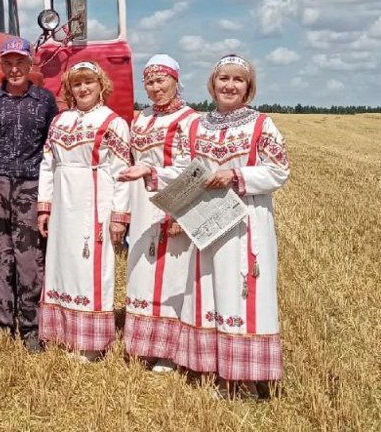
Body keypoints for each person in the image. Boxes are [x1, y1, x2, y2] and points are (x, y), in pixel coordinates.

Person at [122, 54, 290, 397]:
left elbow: (279, 170)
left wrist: (237, 174)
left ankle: (246, 381)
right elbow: (189, 172)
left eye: (237, 80)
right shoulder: (199, 126)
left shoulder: (261, 125)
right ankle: (216, 369)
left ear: (248, 87)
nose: (229, 85)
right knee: (209, 292)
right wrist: (151, 172)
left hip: (247, 220)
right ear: (212, 85)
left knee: (242, 294)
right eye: (223, 79)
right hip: (208, 220)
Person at [36, 61, 130, 361]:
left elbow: (122, 172)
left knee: (90, 268)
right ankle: (64, 333)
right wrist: (44, 207)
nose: (83, 88)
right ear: (69, 89)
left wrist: (118, 216)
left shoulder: (113, 122)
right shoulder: (60, 121)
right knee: (62, 266)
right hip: (64, 203)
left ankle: (90, 343)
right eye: (77, 84)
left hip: (94, 201)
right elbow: (48, 165)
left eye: (89, 82)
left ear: (101, 85)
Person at [0, 38, 57, 352]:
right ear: (2, 66)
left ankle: (32, 328)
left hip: (31, 186)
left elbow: (52, 147)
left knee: (30, 259)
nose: (14, 68)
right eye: (8, 63)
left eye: (20, 62)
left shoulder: (45, 100)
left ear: (30, 63)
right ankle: (1, 325)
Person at [117, 55, 197, 372]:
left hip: (171, 202)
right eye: (149, 82)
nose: (155, 87)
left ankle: (170, 351)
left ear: (175, 80)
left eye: (161, 80)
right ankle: (146, 344)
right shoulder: (141, 118)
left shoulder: (190, 120)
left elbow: (192, 168)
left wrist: (179, 211)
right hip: (141, 203)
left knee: (171, 274)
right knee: (143, 272)